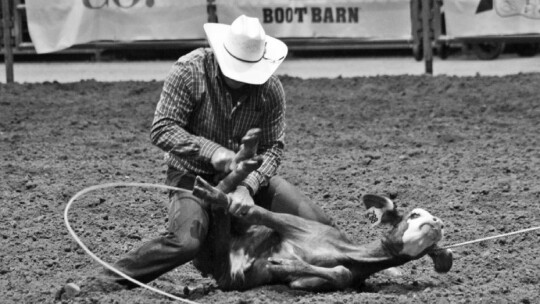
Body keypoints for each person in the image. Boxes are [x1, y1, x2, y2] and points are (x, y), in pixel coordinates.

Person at [60, 15, 332, 298]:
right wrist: (211, 151)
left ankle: (367, 265)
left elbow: (273, 147)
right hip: (192, 176)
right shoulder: (190, 71)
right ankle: (101, 283)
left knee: (318, 222)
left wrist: (246, 185)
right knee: (184, 243)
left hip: (248, 177)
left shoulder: (271, 89)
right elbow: (162, 128)